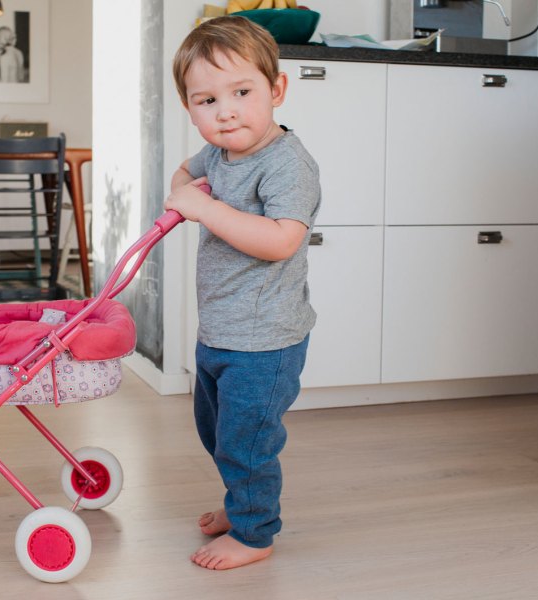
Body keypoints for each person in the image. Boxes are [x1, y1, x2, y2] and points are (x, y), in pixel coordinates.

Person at [164, 15, 321, 571]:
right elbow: (184, 172)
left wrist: (203, 207)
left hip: (266, 339)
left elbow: (280, 241)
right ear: (190, 108)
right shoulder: (218, 154)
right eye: (205, 100)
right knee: (217, 432)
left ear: (276, 90)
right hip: (221, 331)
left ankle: (255, 533)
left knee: (248, 441)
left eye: (241, 92)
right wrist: (187, 191)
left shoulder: (286, 164)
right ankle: (241, 501)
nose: (225, 111)